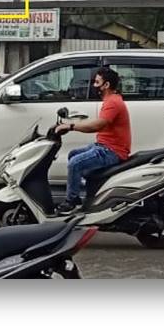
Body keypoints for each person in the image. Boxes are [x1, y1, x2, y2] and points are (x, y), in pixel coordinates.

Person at [52, 66, 131, 215]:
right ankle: (90, 193)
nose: (94, 86)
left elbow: (97, 125)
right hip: (104, 146)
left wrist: (71, 126)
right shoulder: (112, 100)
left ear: (106, 85)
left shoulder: (113, 102)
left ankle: (72, 202)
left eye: (96, 82)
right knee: (73, 155)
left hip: (112, 151)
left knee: (75, 164)